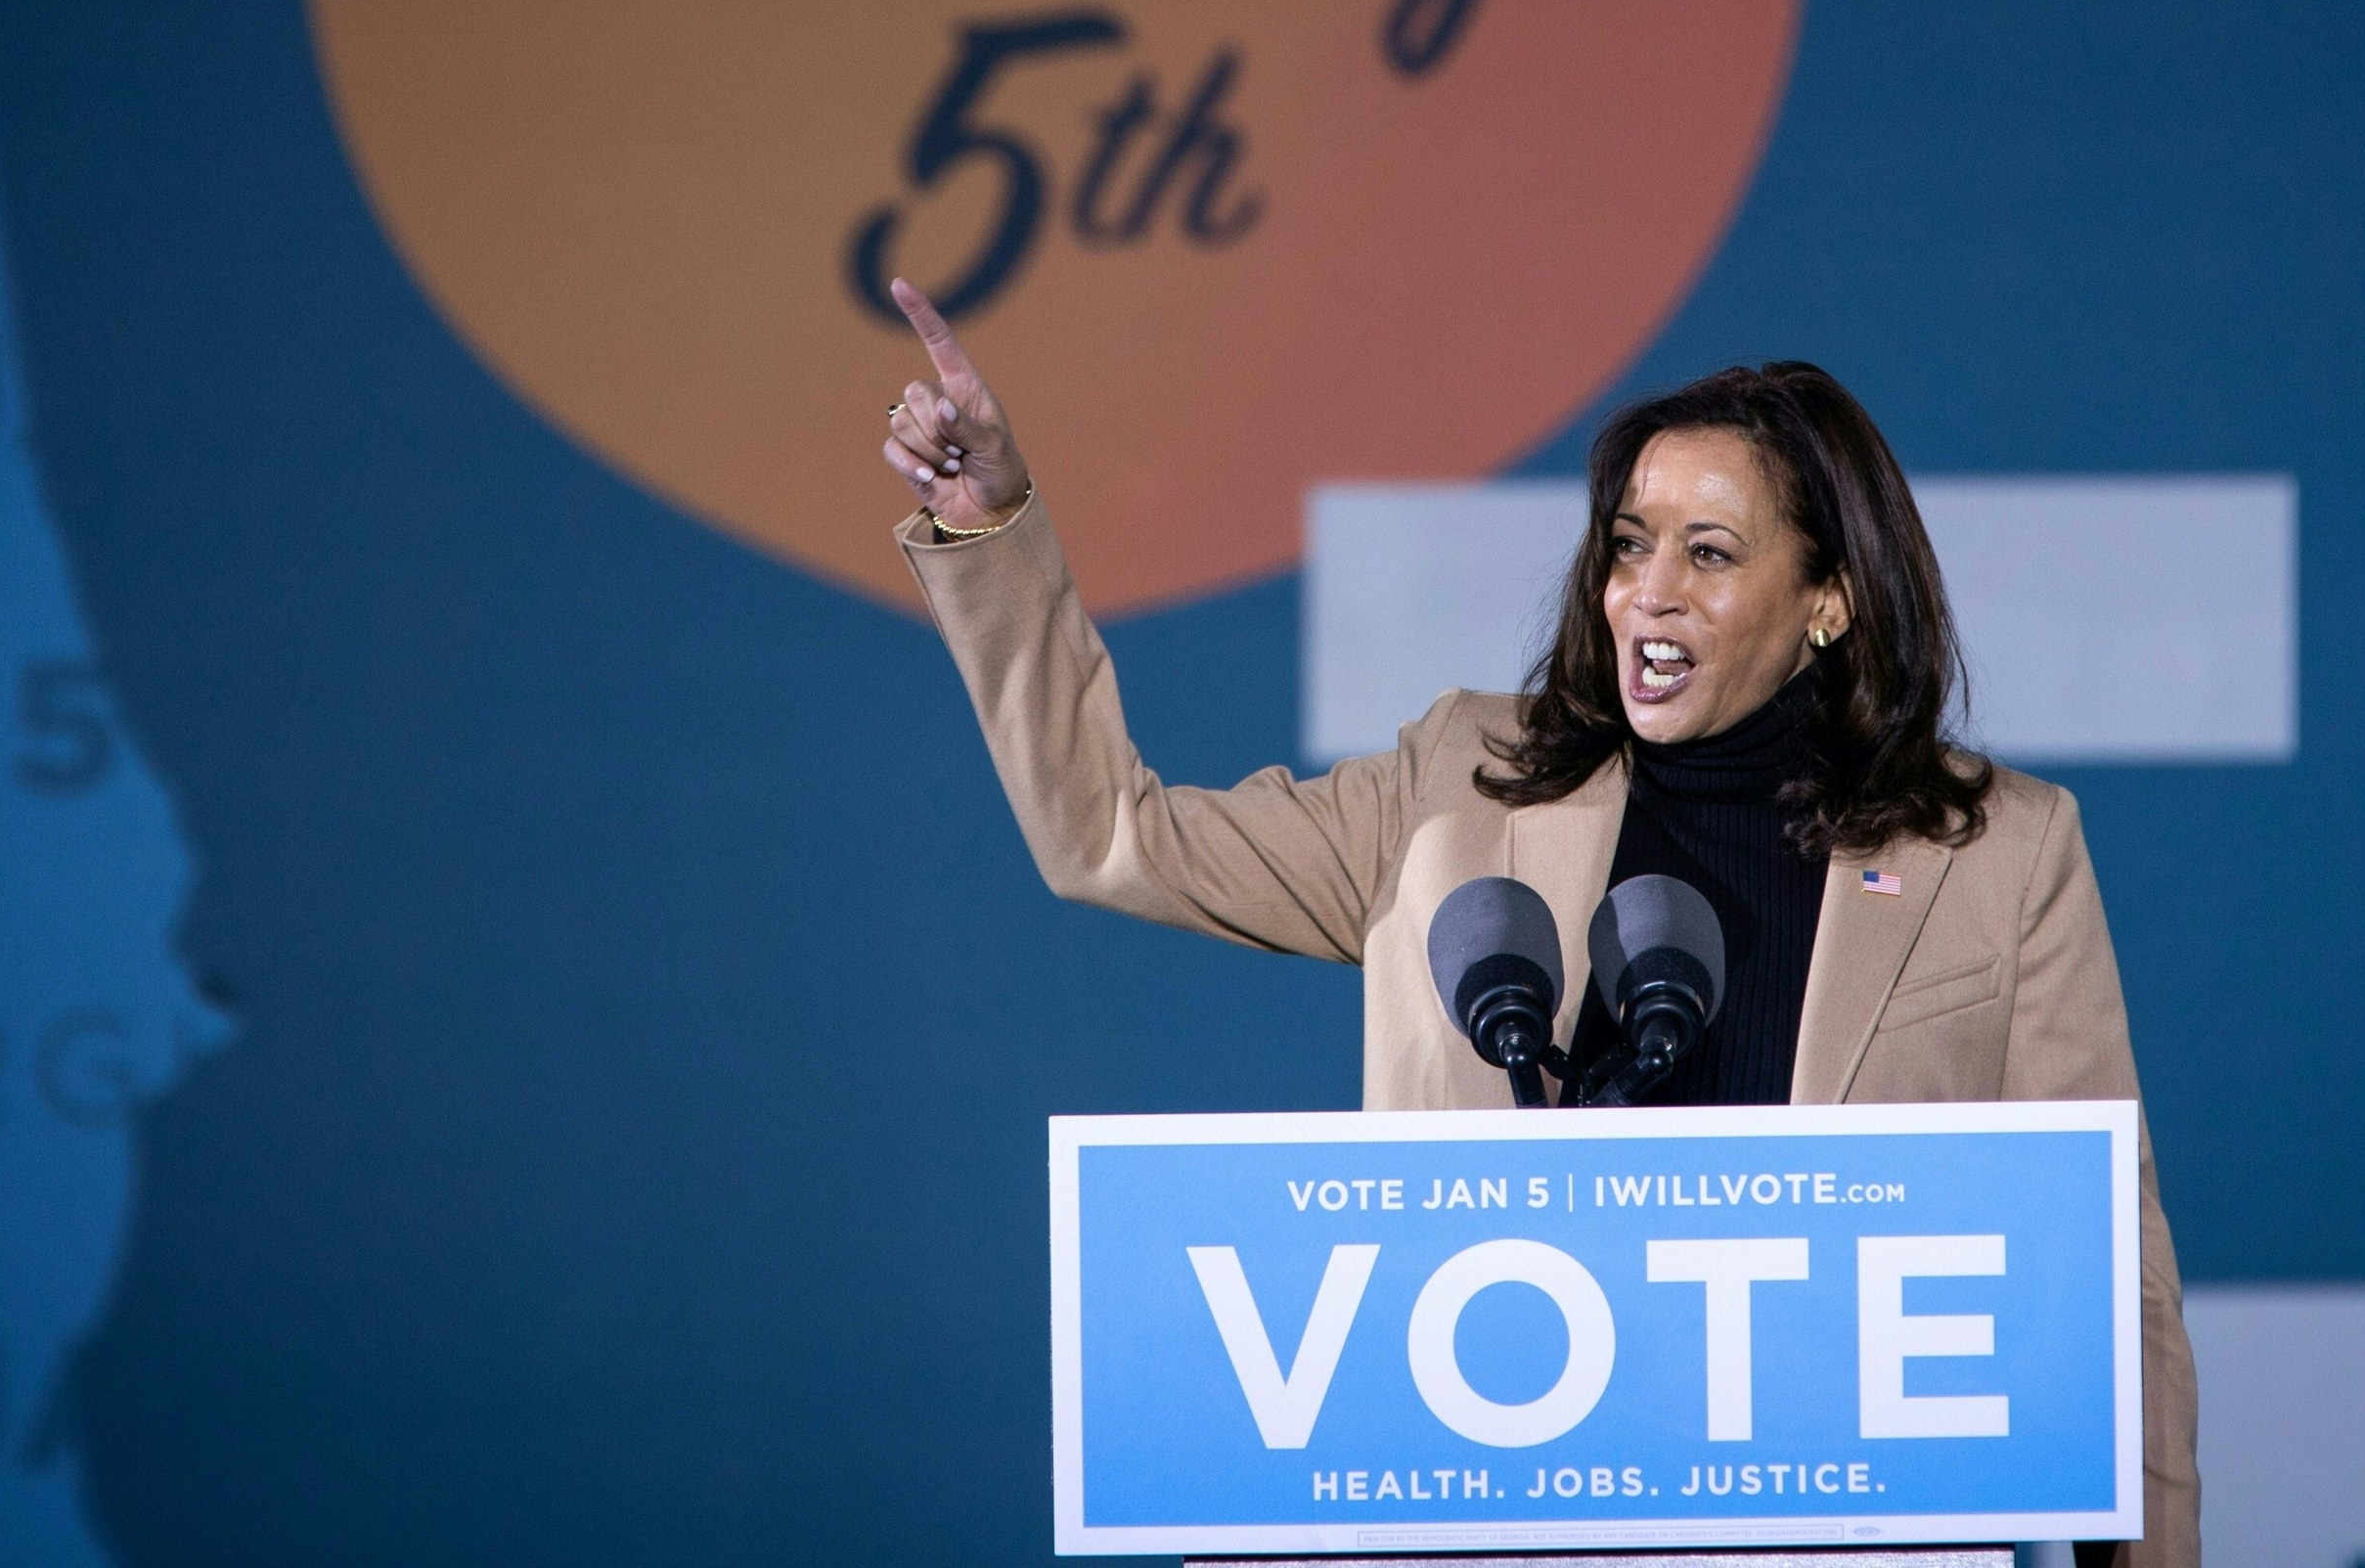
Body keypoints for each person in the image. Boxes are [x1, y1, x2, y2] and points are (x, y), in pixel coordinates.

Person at [876, 276, 2199, 1566]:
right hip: (1487, 1523)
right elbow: (1113, 834)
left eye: (1711, 552)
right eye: (1629, 544)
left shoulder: (1998, 852)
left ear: (1831, 601)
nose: (1648, 591)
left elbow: (2113, 1289)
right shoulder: (1458, 787)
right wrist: (996, 538)